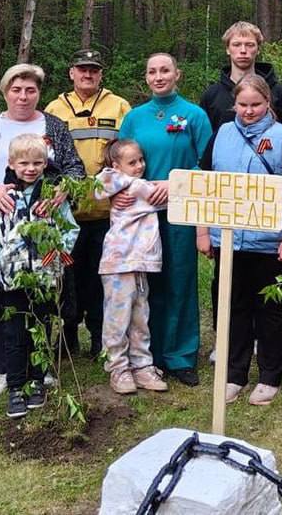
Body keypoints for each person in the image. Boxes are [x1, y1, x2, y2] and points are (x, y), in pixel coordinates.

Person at [0, 64, 85, 398]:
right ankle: (3, 369)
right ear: (4, 92)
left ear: (39, 92)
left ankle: (39, 366)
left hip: (44, 228)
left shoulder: (54, 126)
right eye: (16, 90)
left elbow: (75, 169)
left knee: (41, 298)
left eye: (30, 90)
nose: (23, 96)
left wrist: (62, 190)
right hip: (0, 225)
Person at [196, 75, 282, 406]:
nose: (249, 111)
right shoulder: (221, 134)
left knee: (269, 309)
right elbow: (206, 184)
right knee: (233, 306)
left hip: (269, 242)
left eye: (256, 105)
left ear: (267, 104)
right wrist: (203, 232)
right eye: (243, 105)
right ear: (235, 103)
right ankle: (234, 375)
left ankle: (269, 376)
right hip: (228, 241)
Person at [117, 53, 212, 386]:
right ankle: (147, 354)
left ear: (177, 74)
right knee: (146, 283)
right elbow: (118, 161)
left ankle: (181, 356)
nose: (158, 76)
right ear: (146, 78)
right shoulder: (134, 118)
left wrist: (175, 184)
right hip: (140, 215)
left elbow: (208, 163)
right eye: (152, 71)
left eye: (165, 70)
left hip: (181, 211)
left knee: (180, 279)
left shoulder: (194, 115)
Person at [0, 134, 80, 418]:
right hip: (11, 281)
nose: (31, 168)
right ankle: (15, 387)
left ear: (46, 164)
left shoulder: (52, 197)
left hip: (44, 280)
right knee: (14, 334)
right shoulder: (4, 198)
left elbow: (70, 229)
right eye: (24, 163)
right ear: (11, 164)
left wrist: (57, 252)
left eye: (37, 163)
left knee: (42, 329)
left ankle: (37, 381)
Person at [45, 49, 132, 357]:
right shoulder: (55, 107)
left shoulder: (119, 105)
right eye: (82, 69)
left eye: (93, 70)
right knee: (66, 278)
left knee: (100, 277)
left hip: (106, 212)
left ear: (100, 74)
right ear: (72, 73)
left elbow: (129, 153)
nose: (88, 74)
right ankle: (67, 335)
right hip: (67, 212)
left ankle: (99, 335)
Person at [94, 139, 169, 395]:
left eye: (141, 160)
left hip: (139, 261)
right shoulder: (135, 188)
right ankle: (118, 367)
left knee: (140, 317)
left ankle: (142, 365)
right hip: (119, 262)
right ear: (116, 165)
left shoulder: (130, 187)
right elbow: (169, 197)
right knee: (117, 318)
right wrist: (174, 184)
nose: (139, 166)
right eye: (132, 162)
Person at [200, 21, 282, 133]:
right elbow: (205, 144)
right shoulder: (211, 96)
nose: (243, 51)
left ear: (258, 49)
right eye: (236, 45)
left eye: (249, 45)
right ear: (227, 49)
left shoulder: (276, 92)